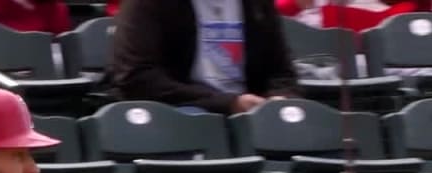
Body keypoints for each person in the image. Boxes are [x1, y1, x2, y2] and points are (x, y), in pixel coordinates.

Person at [107, 0, 300, 114]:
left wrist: (278, 98)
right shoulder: (148, 4)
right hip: (178, 106)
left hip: (250, 111)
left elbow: (282, 71)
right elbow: (137, 77)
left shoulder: (257, 5)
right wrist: (228, 103)